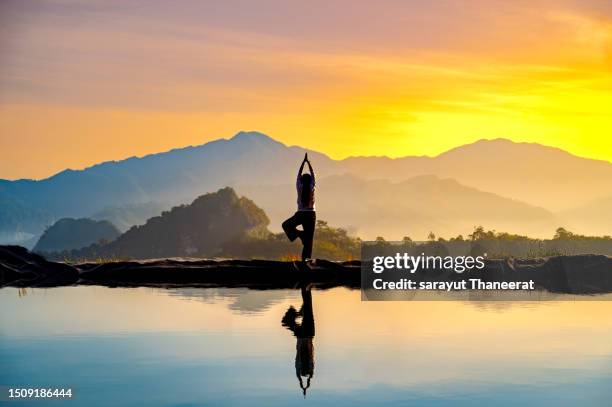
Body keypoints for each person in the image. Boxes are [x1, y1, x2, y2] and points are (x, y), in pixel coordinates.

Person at [282, 285, 315, 397]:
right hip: (302, 335)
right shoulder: (301, 364)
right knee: (306, 311)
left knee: (308, 310)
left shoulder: (308, 363)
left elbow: (310, 374)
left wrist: (305, 385)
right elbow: (299, 374)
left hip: (308, 334)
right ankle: (305, 290)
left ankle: (305, 290)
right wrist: (302, 384)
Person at [282, 153, 316, 261]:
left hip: (301, 214)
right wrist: (308, 163)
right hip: (311, 214)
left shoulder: (299, 186)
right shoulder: (311, 186)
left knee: (286, 225)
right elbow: (313, 174)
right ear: (310, 180)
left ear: (301, 180)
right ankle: (306, 260)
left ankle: (300, 235)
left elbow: (298, 175)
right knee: (309, 240)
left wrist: (303, 163)